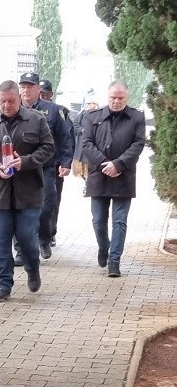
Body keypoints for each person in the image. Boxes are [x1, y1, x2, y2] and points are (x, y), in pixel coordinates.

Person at [0, 80, 55, 302]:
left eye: (11, 101)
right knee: (0, 242)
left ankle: (32, 267)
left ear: (19, 98)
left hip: (28, 192)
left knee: (27, 238)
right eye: (2, 102)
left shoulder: (36, 120)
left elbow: (48, 148)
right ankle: (2, 284)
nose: (6, 106)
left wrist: (25, 161)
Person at [81, 80, 146, 277]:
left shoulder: (136, 117)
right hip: (98, 175)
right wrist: (104, 163)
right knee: (98, 220)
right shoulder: (93, 116)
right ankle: (104, 247)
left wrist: (118, 164)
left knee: (119, 221)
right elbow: (86, 142)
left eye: (120, 98)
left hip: (123, 175)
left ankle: (114, 260)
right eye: (113, 98)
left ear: (127, 97)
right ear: (107, 97)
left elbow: (138, 143)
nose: (116, 101)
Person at [18, 72, 73, 260]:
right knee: (20, 208)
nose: (26, 90)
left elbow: (64, 137)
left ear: (38, 89)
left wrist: (66, 162)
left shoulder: (52, 110)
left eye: (30, 86)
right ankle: (21, 249)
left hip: (46, 167)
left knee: (47, 205)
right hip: (21, 168)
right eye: (23, 86)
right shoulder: (13, 108)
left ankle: (44, 238)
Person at [39, 79, 75, 246]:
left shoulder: (59, 111)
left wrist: (65, 162)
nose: (42, 95)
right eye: (39, 92)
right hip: (33, 165)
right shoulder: (26, 109)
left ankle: (50, 231)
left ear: (51, 94)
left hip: (53, 165)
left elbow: (66, 138)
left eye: (45, 93)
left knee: (52, 201)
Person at [71, 99, 100, 181]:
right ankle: (86, 182)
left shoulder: (99, 115)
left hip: (93, 145)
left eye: (91, 103)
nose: (89, 105)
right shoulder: (83, 114)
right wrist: (82, 130)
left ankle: (88, 183)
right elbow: (75, 124)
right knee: (81, 167)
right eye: (88, 104)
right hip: (82, 144)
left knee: (91, 167)